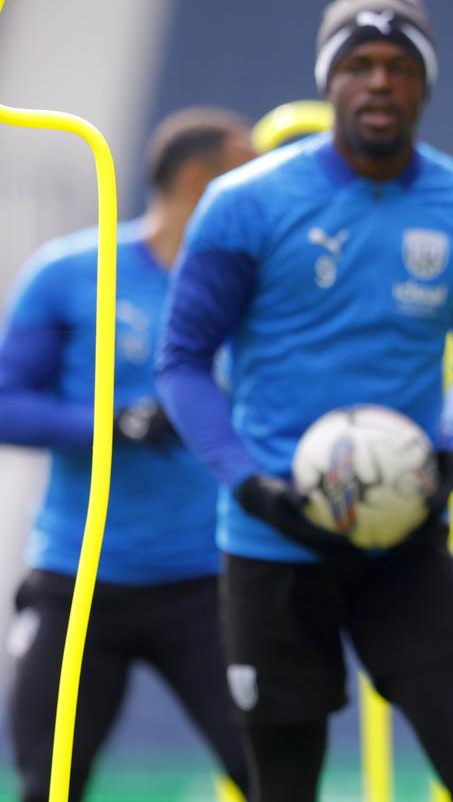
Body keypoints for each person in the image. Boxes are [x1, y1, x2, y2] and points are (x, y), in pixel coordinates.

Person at [157, 0, 453, 802]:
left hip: (405, 537)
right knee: (281, 788)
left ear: (425, 84)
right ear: (329, 82)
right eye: (358, 65)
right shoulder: (245, 205)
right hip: (272, 540)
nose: (378, 83)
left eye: (399, 66)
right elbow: (182, 361)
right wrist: (251, 482)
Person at [1, 107, 255, 802]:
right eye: (247, 174)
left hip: (207, 580)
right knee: (47, 785)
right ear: (200, 181)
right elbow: (3, 401)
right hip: (79, 579)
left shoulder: (252, 287)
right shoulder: (71, 273)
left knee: (271, 775)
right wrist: (110, 424)